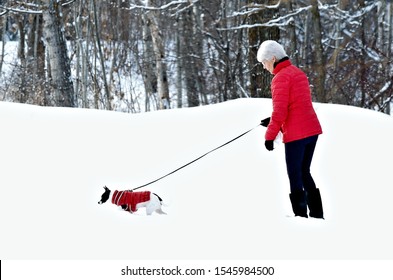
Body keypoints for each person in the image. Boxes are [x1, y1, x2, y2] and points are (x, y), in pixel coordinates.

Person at [257, 40, 324, 219]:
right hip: (312, 130)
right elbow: (295, 105)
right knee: (304, 172)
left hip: (297, 135)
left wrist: (269, 136)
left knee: (295, 175)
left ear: (272, 58)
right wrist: (272, 121)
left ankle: (300, 218)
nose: (264, 67)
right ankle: (317, 215)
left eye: (264, 63)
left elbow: (280, 111)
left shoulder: (280, 78)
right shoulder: (297, 73)